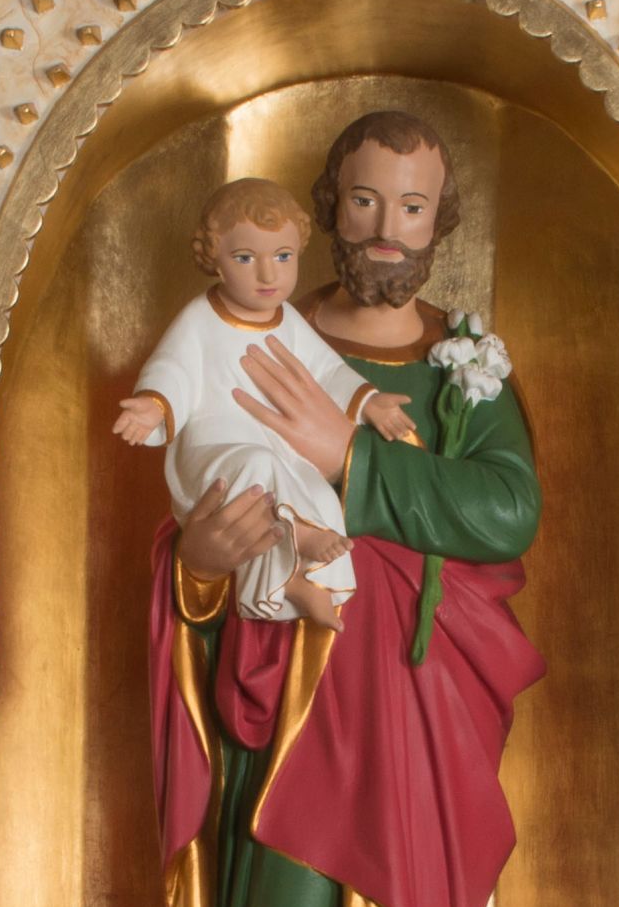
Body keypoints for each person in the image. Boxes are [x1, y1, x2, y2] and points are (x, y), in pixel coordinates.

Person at [148, 111, 541, 907]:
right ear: (331, 205)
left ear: (440, 220)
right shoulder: (263, 330)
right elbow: (199, 480)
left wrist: (350, 458)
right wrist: (201, 562)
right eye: (365, 200)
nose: (386, 228)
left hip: (415, 709)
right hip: (286, 693)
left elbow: (504, 511)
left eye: (412, 205)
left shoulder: (465, 363)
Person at [114, 175, 418, 625]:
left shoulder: (288, 321)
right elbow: (173, 369)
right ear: (215, 260)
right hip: (213, 454)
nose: (268, 274)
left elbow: (327, 370)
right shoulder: (199, 319)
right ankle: (302, 541)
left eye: (282, 256)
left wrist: (368, 401)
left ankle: (305, 586)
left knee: (318, 492)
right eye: (244, 258)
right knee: (258, 469)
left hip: (275, 453)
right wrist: (155, 405)